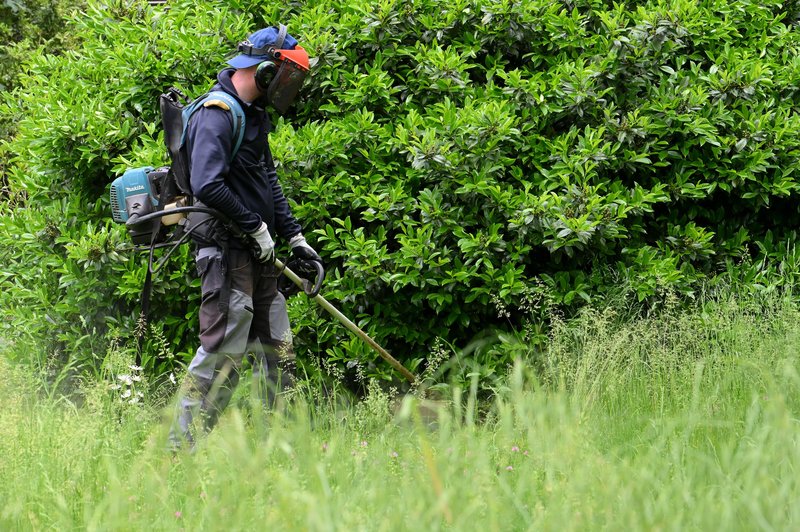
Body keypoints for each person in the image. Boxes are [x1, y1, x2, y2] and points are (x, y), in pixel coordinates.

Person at [169, 24, 322, 448]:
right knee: (223, 356)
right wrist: (256, 226)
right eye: (288, 76)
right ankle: (179, 451)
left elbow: (267, 179)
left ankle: (284, 451)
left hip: (261, 254)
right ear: (266, 71)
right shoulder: (217, 113)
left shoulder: (253, 115)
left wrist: (295, 238)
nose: (290, 87)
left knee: (278, 349)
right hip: (226, 252)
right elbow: (207, 185)